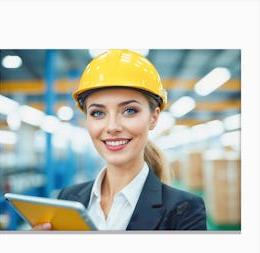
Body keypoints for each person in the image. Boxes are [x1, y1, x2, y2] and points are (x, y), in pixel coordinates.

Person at [33, 49, 207, 231]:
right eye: (98, 113)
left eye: (129, 110)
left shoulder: (185, 210)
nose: (112, 127)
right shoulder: (67, 198)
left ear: (153, 118)